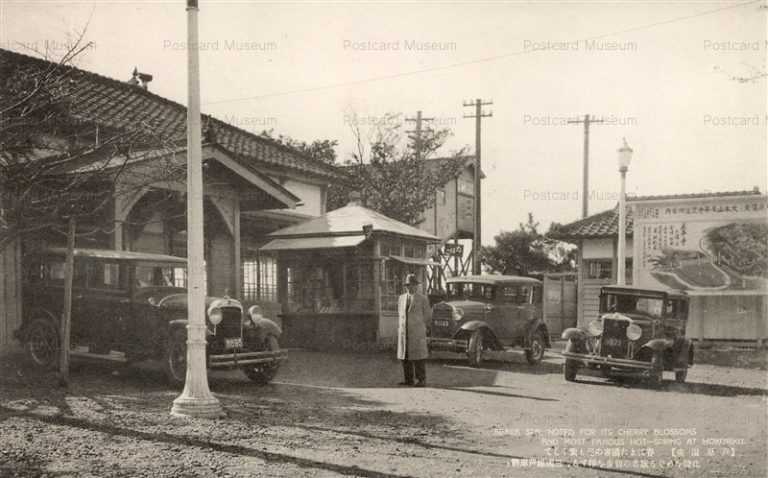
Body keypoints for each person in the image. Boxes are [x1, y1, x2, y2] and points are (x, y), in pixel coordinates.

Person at [397, 273, 432, 387]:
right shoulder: (401, 298)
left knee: (418, 357)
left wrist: (422, 327)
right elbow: (400, 314)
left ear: (416, 286)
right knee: (405, 356)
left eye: (412, 285)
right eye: (408, 285)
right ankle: (408, 379)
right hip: (404, 332)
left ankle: (421, 380)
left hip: (417, 332)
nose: (410, 287)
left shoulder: (422, 299)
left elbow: (427, 315)